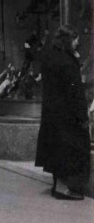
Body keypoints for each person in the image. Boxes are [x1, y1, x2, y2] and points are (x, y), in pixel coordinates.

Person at [35, 25, 91, 200]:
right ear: (68, 41)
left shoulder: (51, 57)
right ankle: (62, 189)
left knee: (56, 151)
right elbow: (76, 93)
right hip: (68, 116)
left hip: (53, 114)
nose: (77, 44)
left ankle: (58, 185)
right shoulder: (67, 62)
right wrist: (84, 117)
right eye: (75, 40)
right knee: (69, 151)